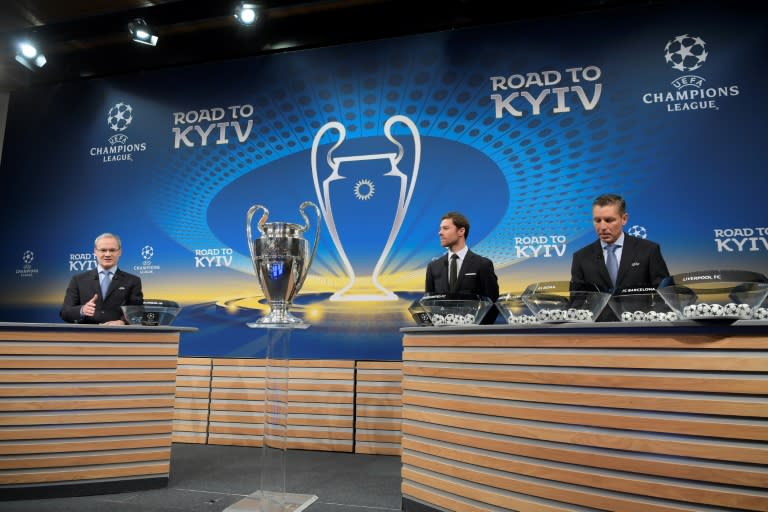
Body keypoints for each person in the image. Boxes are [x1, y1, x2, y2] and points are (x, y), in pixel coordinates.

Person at [570, 194, 670, 320]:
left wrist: (652, 322)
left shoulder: (649, 250)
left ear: (624, 219)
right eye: (597, 220)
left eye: (609, 220)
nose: (602, 227)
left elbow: (665, 294)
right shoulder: (581, 257)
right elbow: (576, 303)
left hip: (641, 329)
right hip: (596, 332)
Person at [425, 211, 500, 324]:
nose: (440, 233)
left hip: (475, 336)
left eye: (445, 228)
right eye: (440, 229)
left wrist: (480, 331)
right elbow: (428, 304)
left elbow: (492, 304)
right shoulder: (433, 267)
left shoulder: (483, 264)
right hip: (442, 336)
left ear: (461, 231)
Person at [60, 233, 143, 325]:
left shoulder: (133, 281)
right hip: (86, 335)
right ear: (95, 252)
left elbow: (137, 313)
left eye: (112, 250)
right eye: (103, 250)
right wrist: (82, 310)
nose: (107, 254)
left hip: (119, 335)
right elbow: (65, 312)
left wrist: (122, 322)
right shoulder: (78, 280)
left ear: (119, 252)